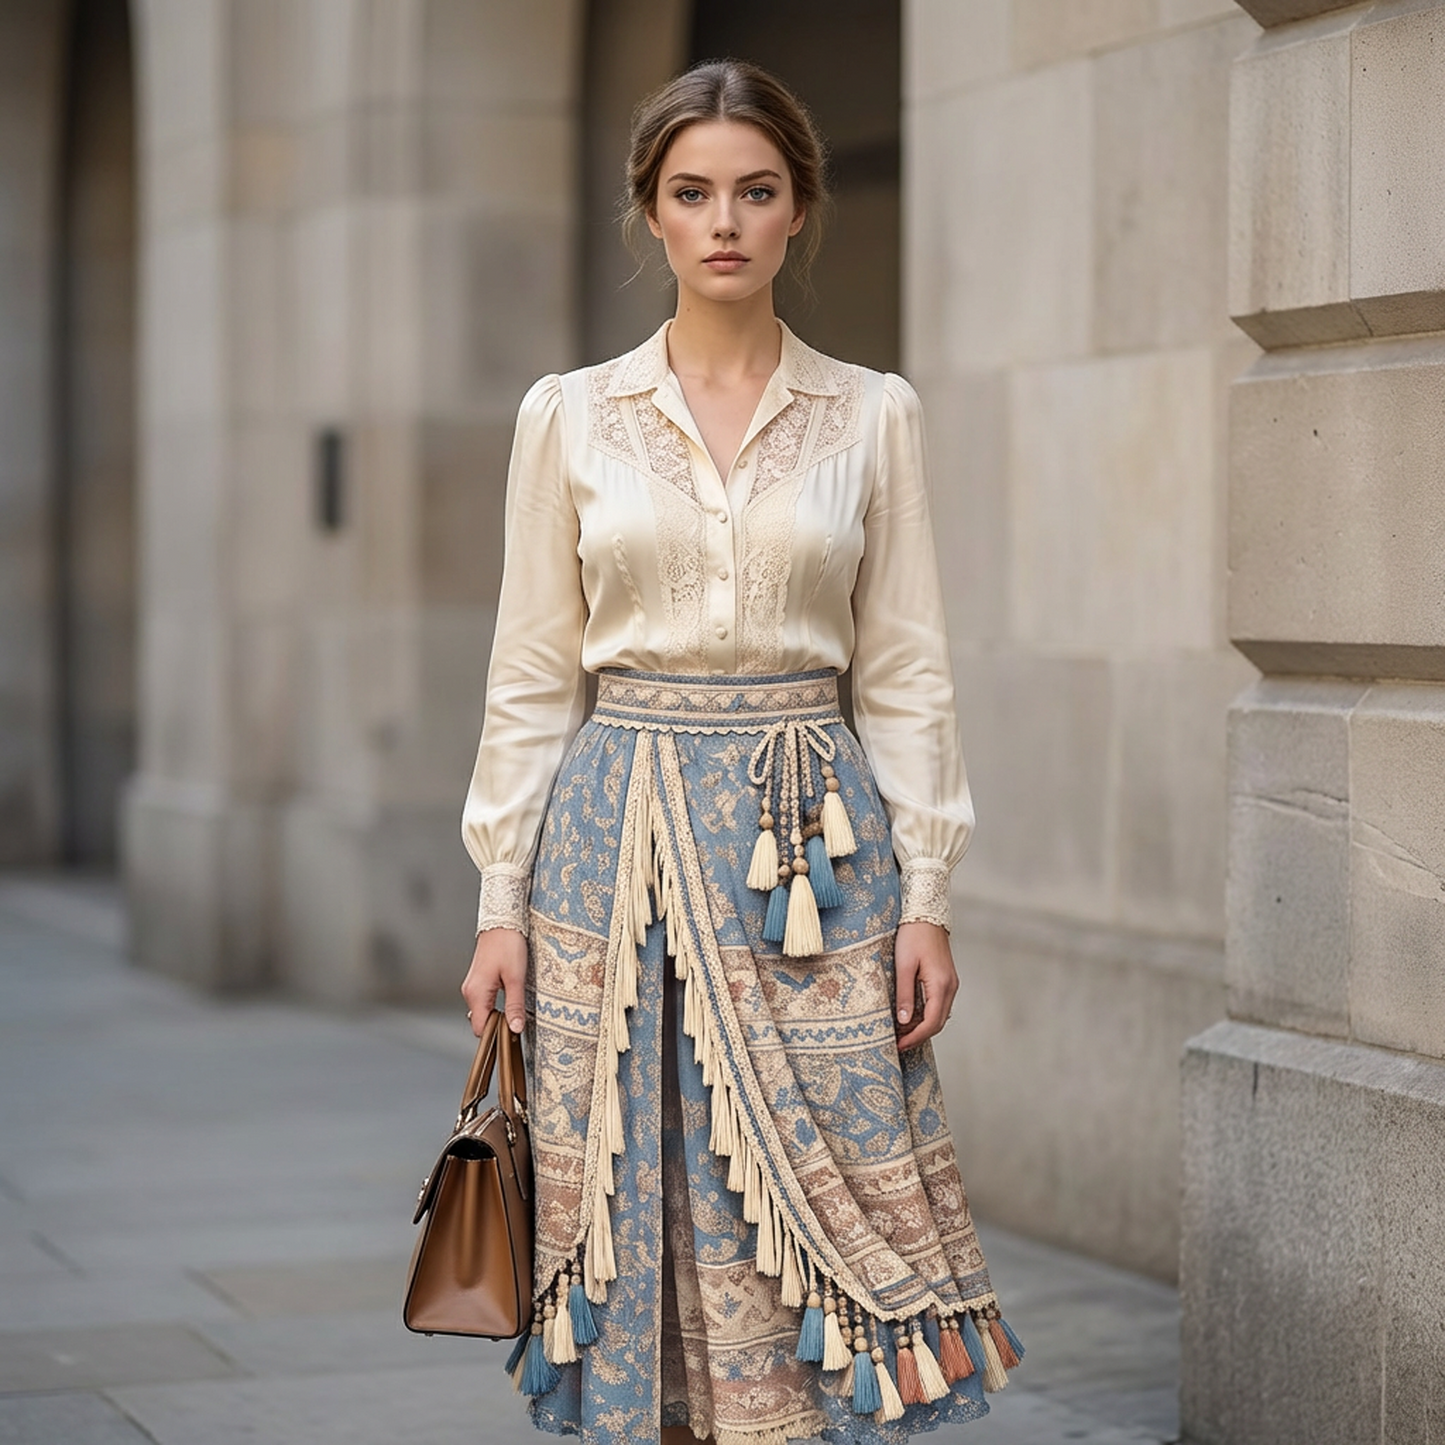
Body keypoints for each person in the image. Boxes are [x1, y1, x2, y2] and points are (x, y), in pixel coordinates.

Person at [459, 58, 1021, 1445]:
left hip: (814, 851)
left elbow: (904, 669)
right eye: (692, 192)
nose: (724, 222)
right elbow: (532, 674)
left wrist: (930, 895)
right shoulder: (570, 415)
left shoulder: (872, 412)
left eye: (755, 193)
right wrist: (497, 905)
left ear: (796, 212)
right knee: (636, 1161)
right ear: (648, 213)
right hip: (615, 833)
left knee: (843, 1156)